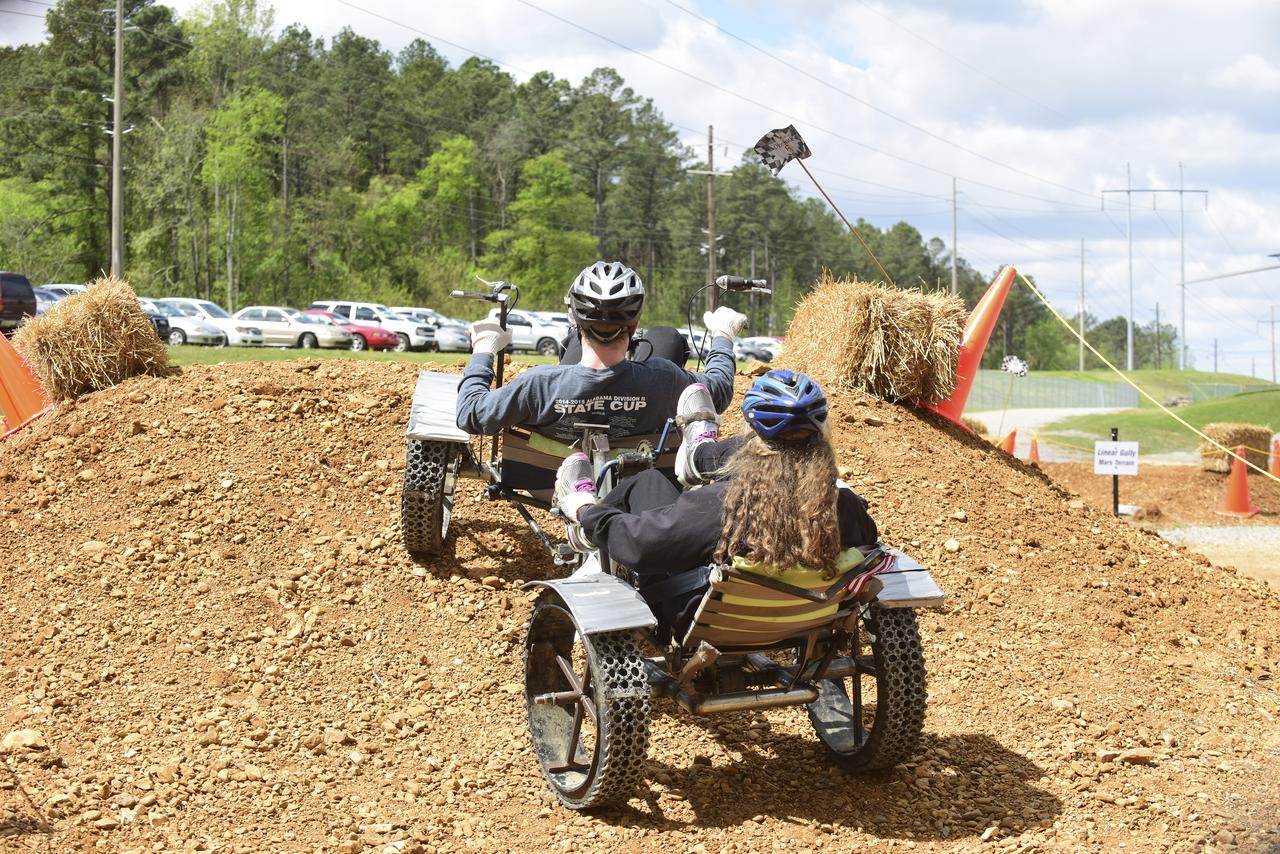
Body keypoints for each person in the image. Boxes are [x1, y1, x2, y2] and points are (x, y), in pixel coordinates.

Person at [552, 369, 879, 632]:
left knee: (649, 481)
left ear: (752, 440)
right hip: (807, 622)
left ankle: (584, 530)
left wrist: (586, 511)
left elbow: (639, 546)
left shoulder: (718, 507)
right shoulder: (843, 506)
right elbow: (867, 542)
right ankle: (696, 454)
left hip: (696, 620)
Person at [455, 260, 743, 444]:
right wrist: (722, 335)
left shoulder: (538, 385)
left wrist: (483, 349)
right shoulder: (665, 379)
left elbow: (470, 414)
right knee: (666, 338)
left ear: (575, 323)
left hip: (547, 483)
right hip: (639, 481)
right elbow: (717, 392)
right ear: (634, 326)